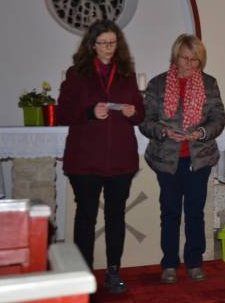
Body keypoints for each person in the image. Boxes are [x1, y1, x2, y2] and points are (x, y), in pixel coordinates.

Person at [57, 20, 144, 294]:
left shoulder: (127, 74)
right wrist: (89, 113)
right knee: (85, 217)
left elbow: (140, 113)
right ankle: (84, 277)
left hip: (120, 160)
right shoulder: (77, 74)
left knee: (116, 217)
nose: (109, 48)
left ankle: (113, 273)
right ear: (91, 45)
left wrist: (134, 113)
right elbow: (62, 114)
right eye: (103, 43)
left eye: (113, 43)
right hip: (85, 161)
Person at [139, 34, 225, 284]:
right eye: (183, 58)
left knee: (195, 212)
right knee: (170, 212)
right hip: (167, 159)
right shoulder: (157, 84)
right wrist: (164, 131)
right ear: (175, 56)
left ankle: (194, 262)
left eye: (194, 60)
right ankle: (169, 264)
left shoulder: (210, 84)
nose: (188, 64)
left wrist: (202, 132)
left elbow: (218, 118)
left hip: (198, 159)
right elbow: (145, 121)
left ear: (201, 61)